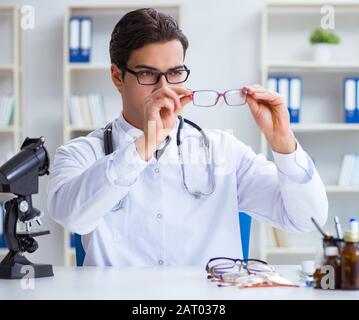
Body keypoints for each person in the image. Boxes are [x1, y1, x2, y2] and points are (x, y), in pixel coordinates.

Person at [47, 8, 328, 266]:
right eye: (147, 74)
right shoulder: (80, 153)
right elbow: (72, 217)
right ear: (117, 77)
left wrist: (283, 143)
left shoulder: (223, 151)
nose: (164, 88)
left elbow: (307, 219)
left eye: (175, 73)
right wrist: (147, 143)